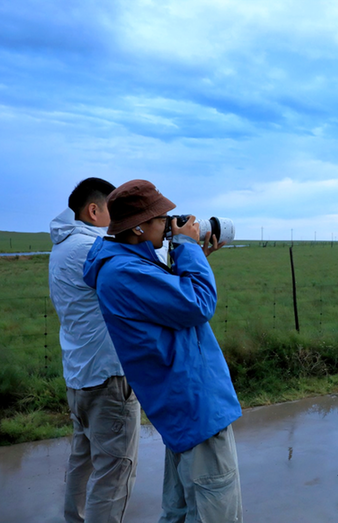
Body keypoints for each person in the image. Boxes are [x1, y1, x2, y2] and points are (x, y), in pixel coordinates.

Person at [83, 179, 243, 523]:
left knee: (182, 510)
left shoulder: (125, 264)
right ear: (138, 227)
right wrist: (188, 247)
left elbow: (168, 301)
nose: (170, 224)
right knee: (214, 509)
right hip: (194, 404)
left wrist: (194, 253)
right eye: (162, 218)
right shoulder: (124, 272)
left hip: (184, 404)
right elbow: (198, 304)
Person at [49, 178, 141, 523]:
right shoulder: (91, 248)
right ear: (94, 210)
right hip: (107, 378)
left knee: (83, 461)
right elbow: (145, 276)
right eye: (114, 212)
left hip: (79, 375)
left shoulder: (62, 246)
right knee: (113, 474)